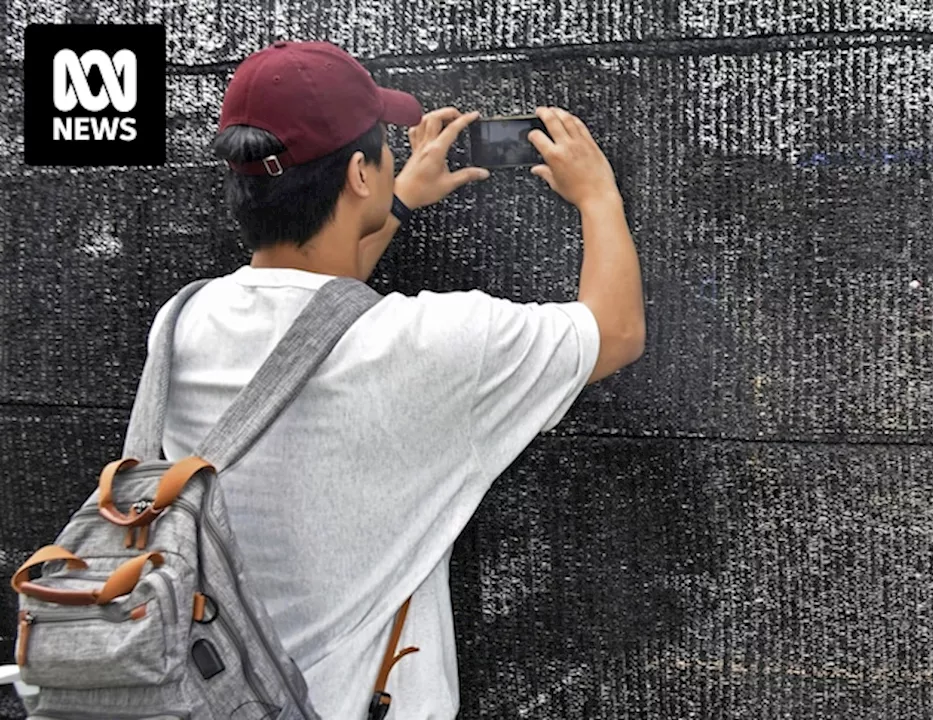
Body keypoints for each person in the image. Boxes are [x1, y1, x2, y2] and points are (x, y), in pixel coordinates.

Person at [149, 40, 645, 718]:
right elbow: (614, 333)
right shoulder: (433, 346)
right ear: (358, 172)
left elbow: (311, 320)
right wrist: (599, 196)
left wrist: (395, 201)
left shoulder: (180, 325)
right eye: (384, 149)